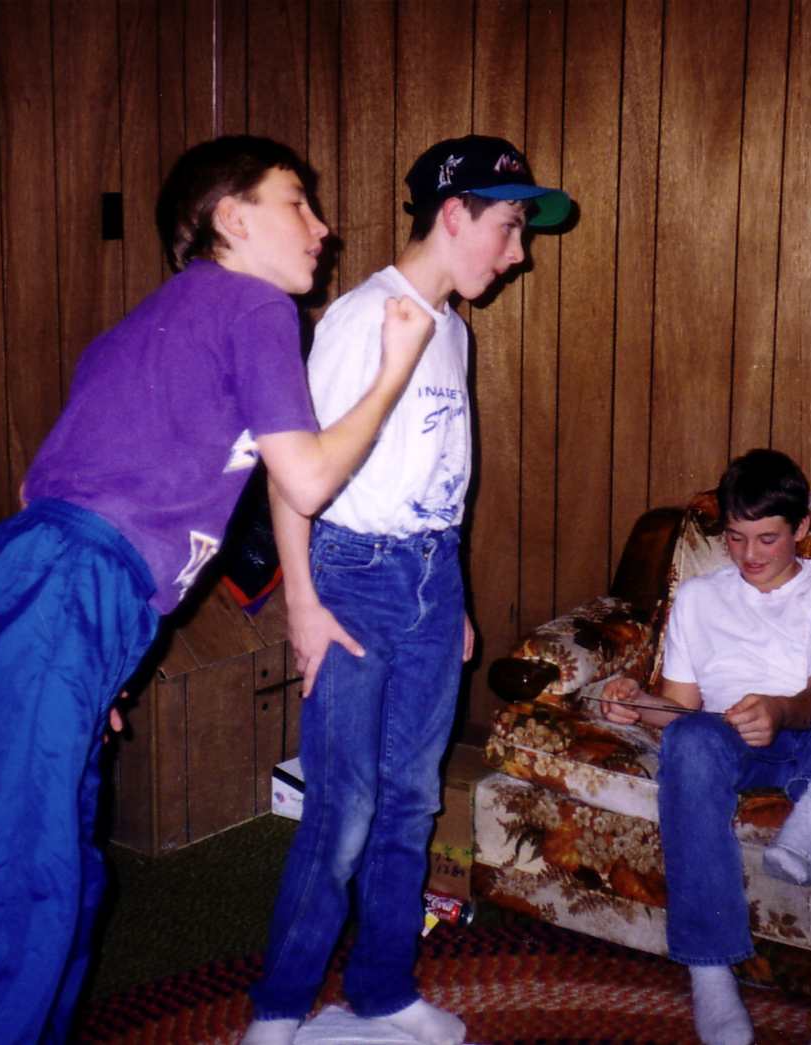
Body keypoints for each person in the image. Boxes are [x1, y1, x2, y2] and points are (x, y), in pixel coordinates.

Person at [0, 135, 437, 1044]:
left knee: (61, 871)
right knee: (0, 880)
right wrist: (396, 366)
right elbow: (306, 480)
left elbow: (40, 484)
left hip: (58, 588)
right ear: (232, 218)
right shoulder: (253, 304)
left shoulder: (155, 320)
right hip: (70, 588)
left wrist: (88, 662)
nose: (323, 227)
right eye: (298, 202)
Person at [241, 134, 571, 1045]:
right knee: (343, 806)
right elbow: (289, 474)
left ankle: (383, 986)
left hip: (429, 579)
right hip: (352, 577)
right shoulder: (360, 319)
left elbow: (441, 474)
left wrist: (452, 597)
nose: (518, 253)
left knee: (413, 799)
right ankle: (279, 1005)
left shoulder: (453, 329)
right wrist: (303, 603)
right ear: (454, 213)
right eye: (509, 228)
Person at [599, 448, 811, 1045]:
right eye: (735, 537)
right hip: (735, 740)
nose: (749, 555)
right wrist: (637, 702)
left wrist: (779, 711)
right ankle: (709, 970)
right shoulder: (699, 598)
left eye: (767, 539)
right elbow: (681, 710)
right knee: (691, 740)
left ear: (801, 529)